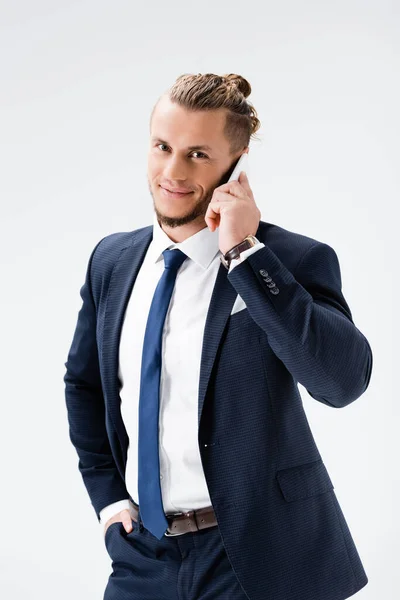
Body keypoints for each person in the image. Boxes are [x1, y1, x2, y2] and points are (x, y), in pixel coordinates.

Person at [64, 72, 373, 600]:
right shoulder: (111, 262)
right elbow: (85, 386)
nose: (172, 171)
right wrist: (109, 499)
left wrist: (246, 255)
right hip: (144, 554)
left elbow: (340, 383)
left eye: (198, 154)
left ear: (236, 161)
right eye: (162, 146)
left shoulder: (291, 261)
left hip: (259, 558)